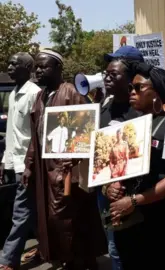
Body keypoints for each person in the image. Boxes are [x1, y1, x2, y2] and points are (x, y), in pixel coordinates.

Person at [23, 49, 107, 269]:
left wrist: (70, 164)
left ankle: (80, 260)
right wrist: (29, 166)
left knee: (69, 219)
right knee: (51, 219)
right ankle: (66, 259)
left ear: (58, 68)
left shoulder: (71, 93)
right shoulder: (41, 96)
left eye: (44, 66)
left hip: (68, 171)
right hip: (45, 169)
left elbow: (86, 135)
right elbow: (35, 135)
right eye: (36, 67)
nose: (38, 70)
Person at [106, 63, 165, 269]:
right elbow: (116, 168)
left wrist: (134, 201)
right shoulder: (129, 126)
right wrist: (111, 186)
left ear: (157, 94)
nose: (132, 93)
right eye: (130, 89)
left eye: (138, 88)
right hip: (133, 219)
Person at [99, 46, 144, 270]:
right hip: (107, 193)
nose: (107, 78)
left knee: (136, 249)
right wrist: (107, 186)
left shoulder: (142, 111)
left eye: (113, 74)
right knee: (114, 248)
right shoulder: (104, 107)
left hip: (134, 195)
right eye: (105, 73)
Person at [0, 52, 41, 270]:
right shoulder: (14, 93)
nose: (9, 67)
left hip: (28, 164)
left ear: (26, 68)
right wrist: (5, 162)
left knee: (21, 211)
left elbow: (37, 134)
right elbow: (11, 132)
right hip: (14, 162)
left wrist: (30, 164)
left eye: (14, 64)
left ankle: (8, 260)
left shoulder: (35, 94)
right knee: (31, 212)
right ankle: (46, 248)